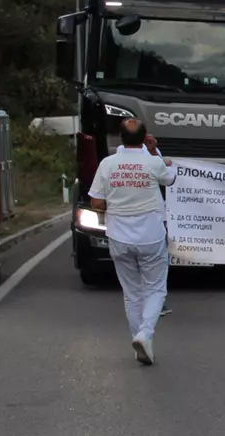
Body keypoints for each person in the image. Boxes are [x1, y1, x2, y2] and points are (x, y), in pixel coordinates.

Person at [89, 118, 176, 365]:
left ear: (120, 138)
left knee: (131, 293)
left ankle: (140, 339)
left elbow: (96, 202)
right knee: (156, 288)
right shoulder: (152, 162)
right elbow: (169, 178)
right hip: (150, 236)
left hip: (118, 236)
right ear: (145, 137)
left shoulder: (107, 164)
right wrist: (154, 150)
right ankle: (145, 334)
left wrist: (117, 206)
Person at [114, 137, 173, 318]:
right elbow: (168, 177)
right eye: (145, 137)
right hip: (143, 227)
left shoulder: (153, 157)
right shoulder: (120, 155)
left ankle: (145, 318)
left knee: (149, 273)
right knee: (147, 271)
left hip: (131, 229)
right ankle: (147, 321)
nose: (149, 140)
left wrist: (156, 153)